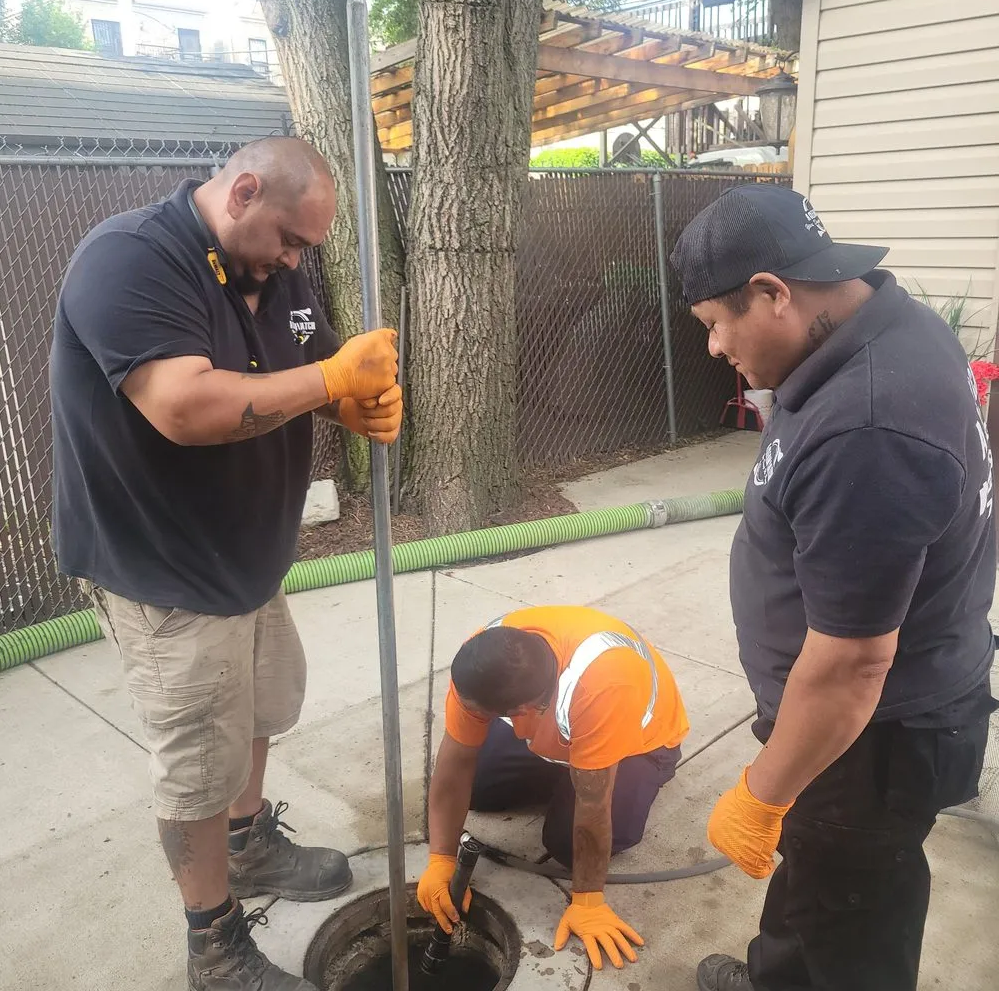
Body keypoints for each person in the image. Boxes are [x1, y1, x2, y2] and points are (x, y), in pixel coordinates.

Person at [48, 137, 402, 991]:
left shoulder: (279, 271)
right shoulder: (130, 259)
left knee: (264, 705)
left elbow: (288, 374)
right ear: (242, 191)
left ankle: (247, 848)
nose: (297, 260)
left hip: (246, 555)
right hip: (161, 565)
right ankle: (212, 941)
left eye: (308, 248)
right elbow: (184, 405)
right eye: (290, 239)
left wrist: (349, 404)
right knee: (198, 763)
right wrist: (328, 381)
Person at [669, 184, 997, 991]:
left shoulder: (872, 428)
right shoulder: (878, 329)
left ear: (774, 294)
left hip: (868, 742)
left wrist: (762, 790)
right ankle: (777, 977)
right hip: (852, 732)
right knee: (817, 872)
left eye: (716, 324)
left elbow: (852, 668)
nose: (714, 348)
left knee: (857, 921)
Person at [417, 605, 689, 971]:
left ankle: (609, 777)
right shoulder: (481, 665)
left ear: (527, 707)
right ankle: (563, 773)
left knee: (568, 844)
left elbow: (594, 804)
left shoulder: (604, 681)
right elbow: (456, 762)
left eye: (509, 716)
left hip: (636, 744)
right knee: (480, 787)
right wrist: (441, 859)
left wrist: (588, 901)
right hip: (556, 721)